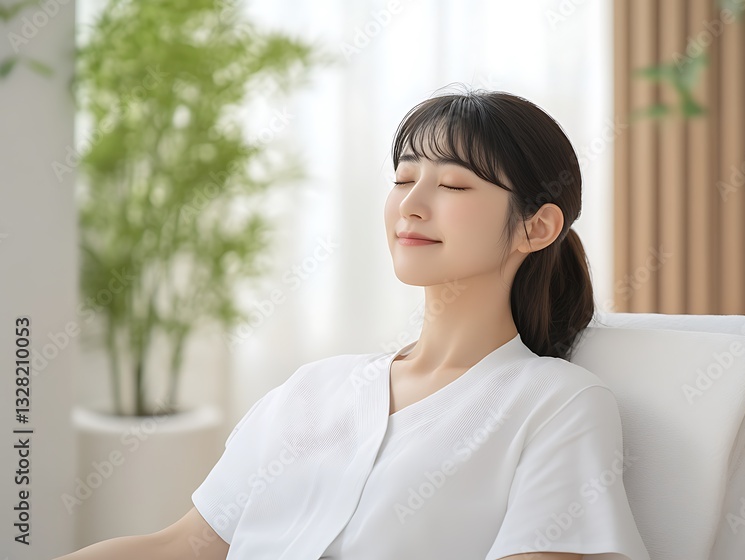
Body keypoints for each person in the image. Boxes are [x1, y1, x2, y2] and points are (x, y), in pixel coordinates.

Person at [54, 86, 650, 560]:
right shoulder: (312, 390)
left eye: (452, 184)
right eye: (402, 178)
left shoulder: (555, 403)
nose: (411, 203)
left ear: (536, 227)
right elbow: (182, 546)